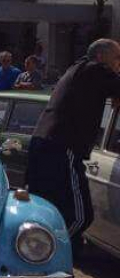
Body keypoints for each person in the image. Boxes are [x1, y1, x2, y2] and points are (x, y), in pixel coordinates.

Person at [26, 39, 120, 253]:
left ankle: (40, 253)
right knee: (80, 216)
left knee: (48, 210)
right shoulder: (96, 70)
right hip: (62, 147)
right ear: (102, 57)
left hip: (44, 143)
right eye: (117, 59)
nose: (118, 65)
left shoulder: (77, 69)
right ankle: (43, 252)